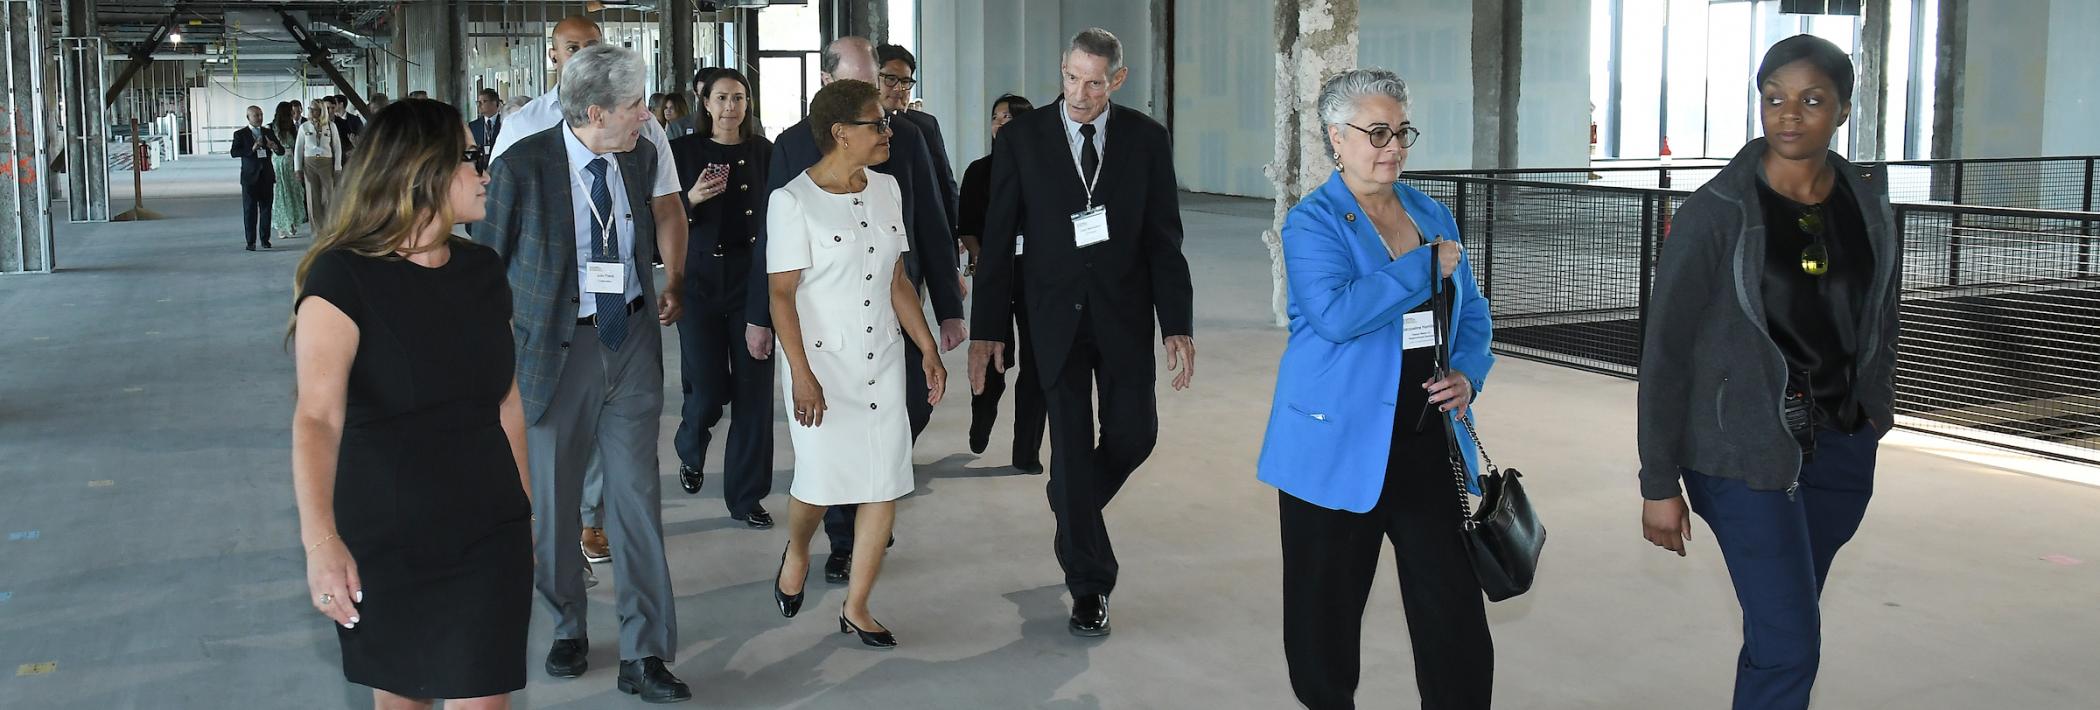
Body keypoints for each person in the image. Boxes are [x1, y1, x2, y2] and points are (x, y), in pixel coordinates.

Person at [1638, 35, 1900, 710]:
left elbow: (1881, 313)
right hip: (1742, 457)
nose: (1789, 114)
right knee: (1790, 646)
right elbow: (1665, 353)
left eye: (1811, 100)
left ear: (1843, 110)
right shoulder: (1715, 213)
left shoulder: (1867, 203)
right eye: (1774, 97)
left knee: (1782, 626)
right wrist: (1658, 482)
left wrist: (1875, 411)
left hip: (1840, 449)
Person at [1255, 68, 1495, 710]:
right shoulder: (1312, 223)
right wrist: (1422, 266)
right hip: (1334, 444)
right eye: (1377, 132)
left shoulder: (1430, 212)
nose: (1394, 147)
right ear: (1337, 138)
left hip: (1427, 443)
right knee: (1324, 621)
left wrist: (1468, 373)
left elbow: (1473, 313)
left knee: (1454, 617)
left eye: (1402, 132)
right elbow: (1337, 315)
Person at [290, 97, 528, 709]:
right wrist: (321, 542)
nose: (484, 171)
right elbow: (317, 419)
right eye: (469, 157)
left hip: (489, 528)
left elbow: (506, 401)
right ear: (423, 170)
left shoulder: (483, 270)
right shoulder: (342, 280)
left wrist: (525, 510)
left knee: (486, 695)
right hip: (389, 533)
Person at [474, 43, 692, 703]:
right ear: (595, 112)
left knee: (636, 502)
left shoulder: (640, 156)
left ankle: (644, 652)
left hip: (630, 343)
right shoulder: (520, 167)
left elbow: (654, 225)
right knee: (554, 504)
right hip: (553, 352)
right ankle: (567, 624)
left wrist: (668, 284)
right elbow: (485, 271)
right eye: (634, 105)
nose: (646, 115)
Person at [967, 27, 1196, 638]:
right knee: (1068, 447)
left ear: (1117, 80)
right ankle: (1090, 585)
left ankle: (1070, 504)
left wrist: (1176, 322)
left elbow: (1163, 237)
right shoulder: (1022, 139)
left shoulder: (1147, 140)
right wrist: (988, 329)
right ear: (1062, 70)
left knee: (1135, 434)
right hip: (1053, 318)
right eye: (1071, 78)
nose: (1079, 93)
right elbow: (998, 240)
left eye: (1094, 83)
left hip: (1124, 315)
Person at [748, 36, 965, 586]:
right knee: (823, 477)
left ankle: (858, 604)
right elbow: (778, 283)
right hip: (823, 355)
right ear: (841, 128)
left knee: (885, 473)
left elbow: (910, 255)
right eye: (875, 115)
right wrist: (791, 361)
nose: (887, 116)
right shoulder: (791, 176)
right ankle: (807, 548)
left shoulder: (894, 172)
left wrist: (933, 336)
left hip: (883, 348)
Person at [668, 68, 775, 526]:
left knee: (753, 394)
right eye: (722, 98)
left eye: (739, 98)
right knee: (708, 388)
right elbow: (660, 216)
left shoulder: (765, 153)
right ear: (705, 103)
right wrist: (690, 198)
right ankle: (690, 445)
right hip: (700, 281)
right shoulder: (682, 152)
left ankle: (746, 497)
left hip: (752, 281)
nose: (731, 107)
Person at [958, 93, 1044, 472]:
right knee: (994, 357)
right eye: (996, 117)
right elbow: (967, 226)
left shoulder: (1045, 172)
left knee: (1038, 365)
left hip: (1037, 277)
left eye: (1010, 117)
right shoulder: (979, 171)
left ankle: (1026, 451)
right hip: (993, 275)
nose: (1001, 124)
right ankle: (982, 416)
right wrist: (982, 259)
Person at [875, 44, 960, 234]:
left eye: (905, 81)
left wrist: (953, 230)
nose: (899, 88)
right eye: (890, 79)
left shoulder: (925, 125)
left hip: (921, 227)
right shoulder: (856, 126)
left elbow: (944, 183)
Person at [232, 105, 284, 251]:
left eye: (261, 115)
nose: (259, 118)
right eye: (256, 115)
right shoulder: (240, 134)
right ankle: (250, 241)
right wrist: (252, 149)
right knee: (250, 210)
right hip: (249, 178)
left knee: (266, 209)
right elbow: (234, 152)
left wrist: (274, 146)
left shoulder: (268, 132)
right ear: (248, 117)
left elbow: (281, 151)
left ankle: (265, 239)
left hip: (266, 176)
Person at [296, 103, 344, 237]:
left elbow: (337, 147)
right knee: (312, 197)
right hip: (309, 163)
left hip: (326, 163)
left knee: (328, 196)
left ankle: (330, 228)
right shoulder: (304, 127)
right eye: (310, 109)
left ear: (321, 111)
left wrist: (338, 167)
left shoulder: (331, 126)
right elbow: (299, 148)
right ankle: (317, 230)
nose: (312, 112)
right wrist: (298, 169)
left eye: (315, 109)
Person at [270, 101, 309, 241]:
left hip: (292, 163)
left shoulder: (292, 127)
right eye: (291, 112)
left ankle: (292, 221)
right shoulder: (273, 128)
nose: (294, 114)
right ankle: (281, 225)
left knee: (294, 192)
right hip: (279, 163)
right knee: (281, 194)